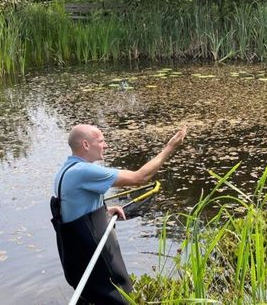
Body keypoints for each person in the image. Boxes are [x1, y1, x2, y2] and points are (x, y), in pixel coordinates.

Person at [51, 124, 187, 304]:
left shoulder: (64, 171)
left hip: (75, 256)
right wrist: (170, 147)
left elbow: (72, 208)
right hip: (92, 253)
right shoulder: (84, 171)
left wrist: (103, 211)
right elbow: (140, 178)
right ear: (85, 145)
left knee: (92, 297)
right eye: (101, 141)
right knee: (119, 297)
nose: (105, 145)